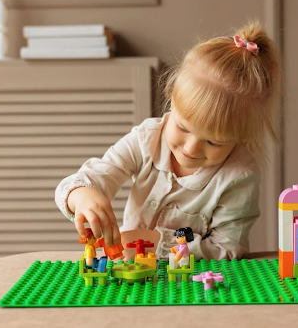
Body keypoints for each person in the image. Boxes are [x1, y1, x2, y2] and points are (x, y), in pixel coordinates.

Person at [55, 20, 281, 260]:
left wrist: (155, 247)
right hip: (134, 277)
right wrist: (82, 195)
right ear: (171, 99)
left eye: (214, 142)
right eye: (183, 127)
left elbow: (227, 248)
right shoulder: (147, 139)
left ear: (241, 136)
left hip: (191, 285)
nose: (191, 148)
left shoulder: (238, 176)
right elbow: (89, 178)